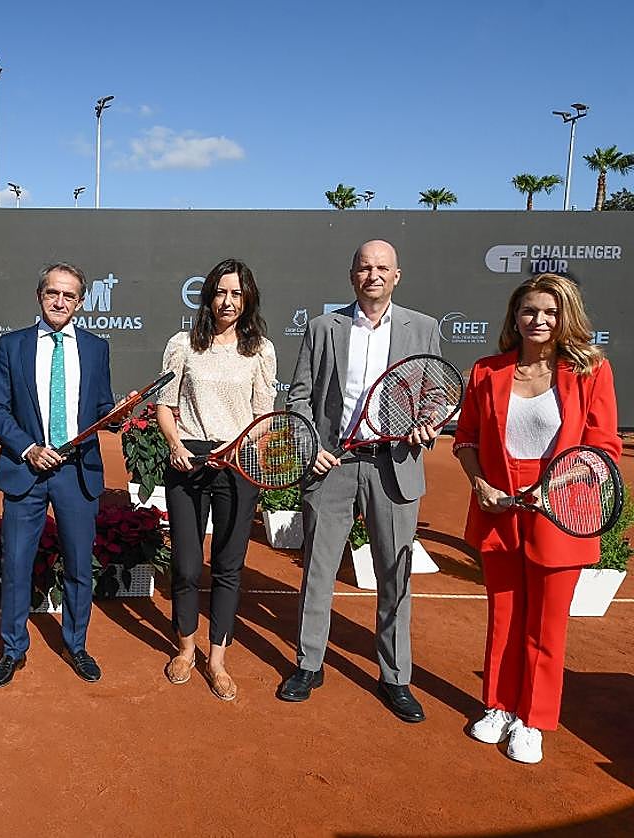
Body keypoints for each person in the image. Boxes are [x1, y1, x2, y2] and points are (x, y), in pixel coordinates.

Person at [453, 273, 619, 764]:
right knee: (503, 616)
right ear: (514, 316)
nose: (539, 320)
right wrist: (481, 484)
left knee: (547, 625)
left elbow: (603, 447)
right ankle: (499, 707)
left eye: (550, 311)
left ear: (566, 316)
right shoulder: (487, 371)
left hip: (561, 509)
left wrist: (552, 488)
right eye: (529, 310)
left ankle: (534, 720)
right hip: (500, 506)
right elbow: (465, 440)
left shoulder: (591, 371)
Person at [280, 239, 440, 722]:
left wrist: (428, 422)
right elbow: (300, 398)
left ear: (397, 275)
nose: (373, 274)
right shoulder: (322, 328)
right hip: (334, 466)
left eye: (382, 267)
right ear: (352, 276)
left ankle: (395, 676)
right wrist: (313, 448)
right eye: (365, 267)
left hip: (395, 465)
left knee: (396, 575)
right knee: (318, 571)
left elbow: (435, 392)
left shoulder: (424, 328)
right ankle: (309, 663)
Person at [0, 262, 116, 688]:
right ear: (40, 296)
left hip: (77, 472)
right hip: (27, 469)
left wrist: (115, 416)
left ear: (81, 301)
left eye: (69, 295)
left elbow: (101, 409)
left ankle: (75, 645)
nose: (60, 301)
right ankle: (12, 649)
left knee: (80, 565)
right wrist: (28, 448)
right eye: (52, 293)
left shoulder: (97, 349)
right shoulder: (12, 345)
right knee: (17, 564)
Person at [157, 259, 276, 701]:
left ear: (248, 301)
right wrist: (175, 445)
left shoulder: (260, 350)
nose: (228, 302)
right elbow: (165, 405)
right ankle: (185, 648)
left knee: (228, 565)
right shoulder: (182, 344)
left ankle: (217, 659)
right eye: (221, 292)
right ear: (208, 295)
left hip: (237, 463)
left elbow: (264, 414)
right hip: (188, 459)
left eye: (237, 294)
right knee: (187, 565)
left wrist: (240, 445)